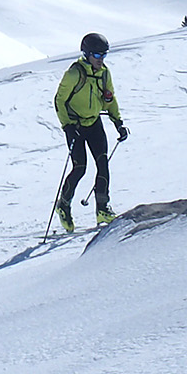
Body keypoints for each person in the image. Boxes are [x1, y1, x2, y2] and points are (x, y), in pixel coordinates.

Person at [53, 33, 128, 231]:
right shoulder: (74, 74)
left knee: (102, 163)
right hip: (76, 127)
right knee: (80, 168)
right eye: (96, 55)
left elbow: (109, 98)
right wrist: (67, 127)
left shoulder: (104, 73)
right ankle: (63, 205)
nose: (100, 59)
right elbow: (59, 100)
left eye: (104, 55)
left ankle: (102, 208)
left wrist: (118, 122)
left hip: (94, 123)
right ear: (86, 53)